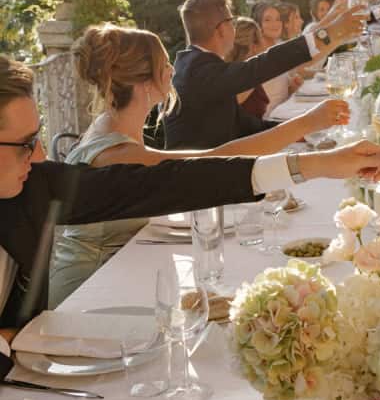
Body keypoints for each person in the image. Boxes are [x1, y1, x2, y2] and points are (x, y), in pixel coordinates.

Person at [0, 56, 380, 336]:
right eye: (25, 143)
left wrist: (315, 165)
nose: (39, 154)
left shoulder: (33, 184)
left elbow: (172, 183)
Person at [47, 24, 356, 304]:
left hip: (120, 271)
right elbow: (213, 162)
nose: (172, 71)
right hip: (87, 292)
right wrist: (304, 124)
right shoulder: (116, 152)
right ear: (144, 82)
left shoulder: (111, 123)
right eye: (164, 65)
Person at [165, 0, 364, 149]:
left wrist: (310, 132)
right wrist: (326, 34)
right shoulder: (198, 71)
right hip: (197, 189)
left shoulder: (198, 65)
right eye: (231, 22)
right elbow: (264, 64)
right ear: (221, 29)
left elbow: (250, 126)